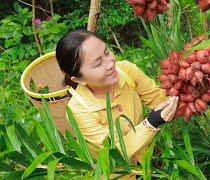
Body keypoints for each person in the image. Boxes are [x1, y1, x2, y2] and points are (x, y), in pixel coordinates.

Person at [55, 29, 178, 178]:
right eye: (98, 63)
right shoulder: (78, 110)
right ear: (79, 79)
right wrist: (151, 122)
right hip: (118, 174)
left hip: (148, 161)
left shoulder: (126, 71)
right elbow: (116, 152)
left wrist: (181, 84)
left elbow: (158, 99)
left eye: (106, 53)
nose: (110, 64)